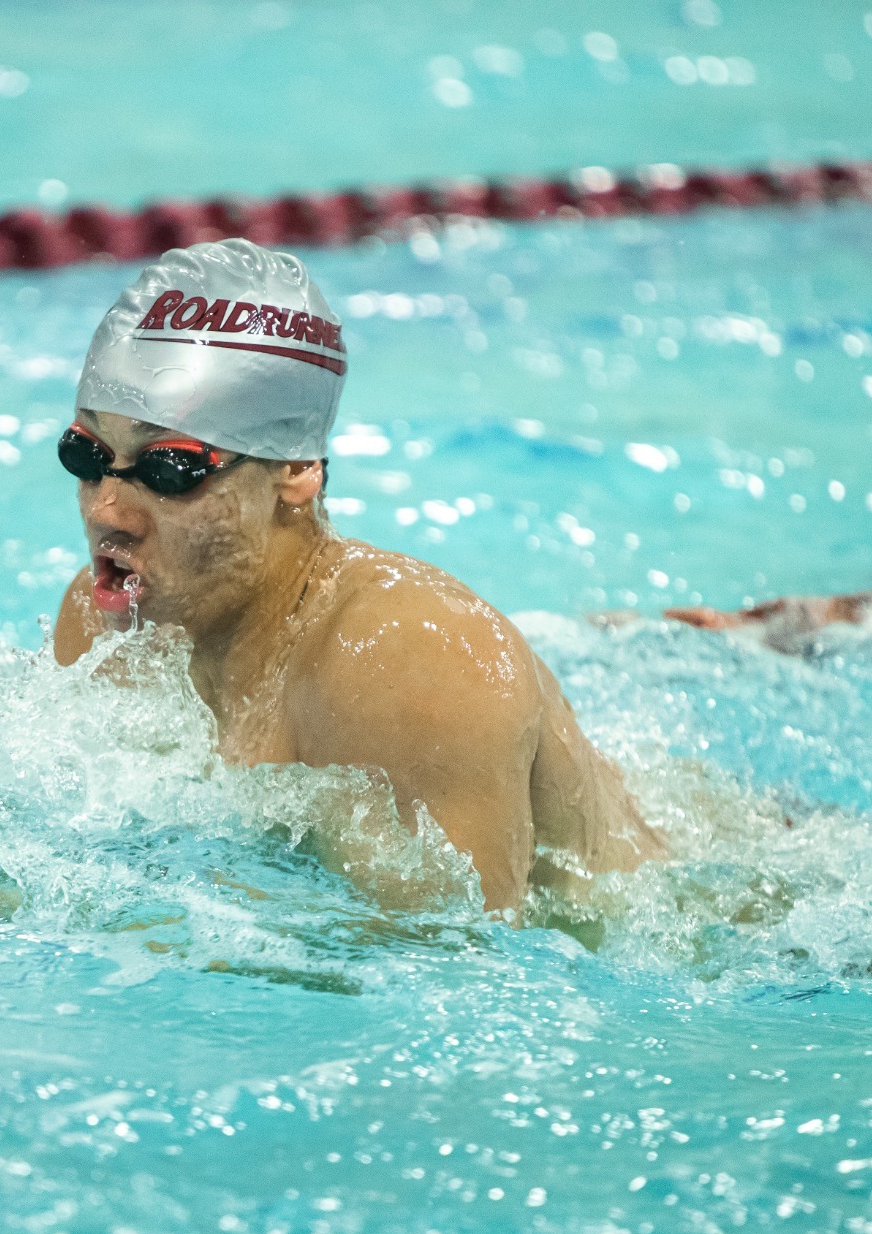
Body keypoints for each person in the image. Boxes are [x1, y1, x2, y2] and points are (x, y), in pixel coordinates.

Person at [51, 239, 664, 919]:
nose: (106, 510)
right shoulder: (100, 627)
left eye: (168, 468)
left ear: (296, 469)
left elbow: (467, 962)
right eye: (88, 454)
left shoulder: (413, 663)